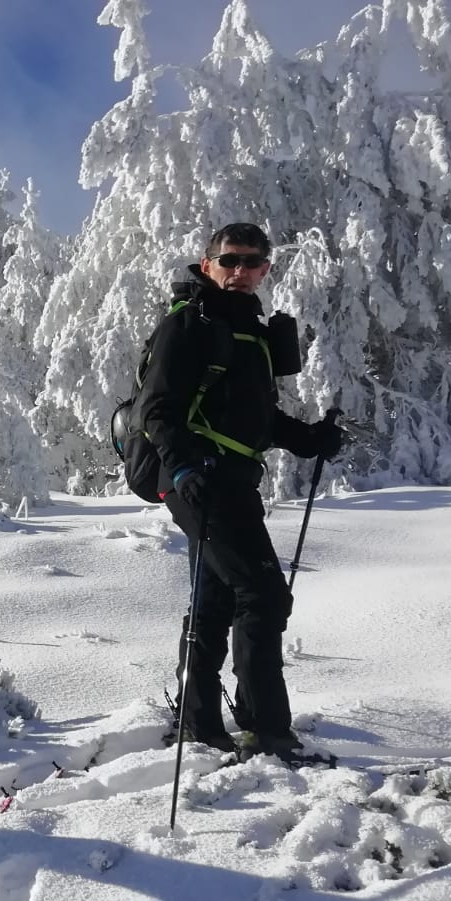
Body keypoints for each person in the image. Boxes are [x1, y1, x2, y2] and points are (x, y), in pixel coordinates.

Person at [134, 223, 344, 766]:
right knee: (264, 595)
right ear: (207, 264)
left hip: (232, 480)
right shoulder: (187, 325)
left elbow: (256, 416)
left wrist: (308, 439)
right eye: (229, 260)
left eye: (252, 263)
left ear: (265, 270)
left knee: (217, 600)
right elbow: (155, 409)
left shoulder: (250, 330)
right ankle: (268, 732)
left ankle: (199, 723)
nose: (240, 271)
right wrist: (182, 469)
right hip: (198, 481)